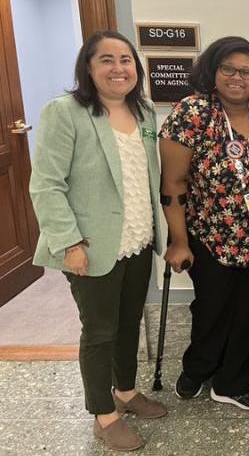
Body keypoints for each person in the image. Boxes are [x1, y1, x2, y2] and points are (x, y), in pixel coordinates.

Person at [29, 30, 165, 451]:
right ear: (88, 68)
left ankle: (125, 391)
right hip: (90, 245)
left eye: (125, 59)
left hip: (139, 239)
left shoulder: (142, 113)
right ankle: (103, 415)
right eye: (106, 59)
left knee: (128, 324)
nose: (118, 68)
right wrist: (69, 241)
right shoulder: (66, 112)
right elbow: (46, 185)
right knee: (100, 331)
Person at [160, 36, 249, 411]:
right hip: (208, 235)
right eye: (227, 69)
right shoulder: (193, 112)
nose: (237, 77)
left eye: (246, 71)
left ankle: (231, 382)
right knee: (213, 308)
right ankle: (198, 368)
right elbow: (173, 184)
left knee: (248, 311)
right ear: (213, 72)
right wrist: (178, 242)